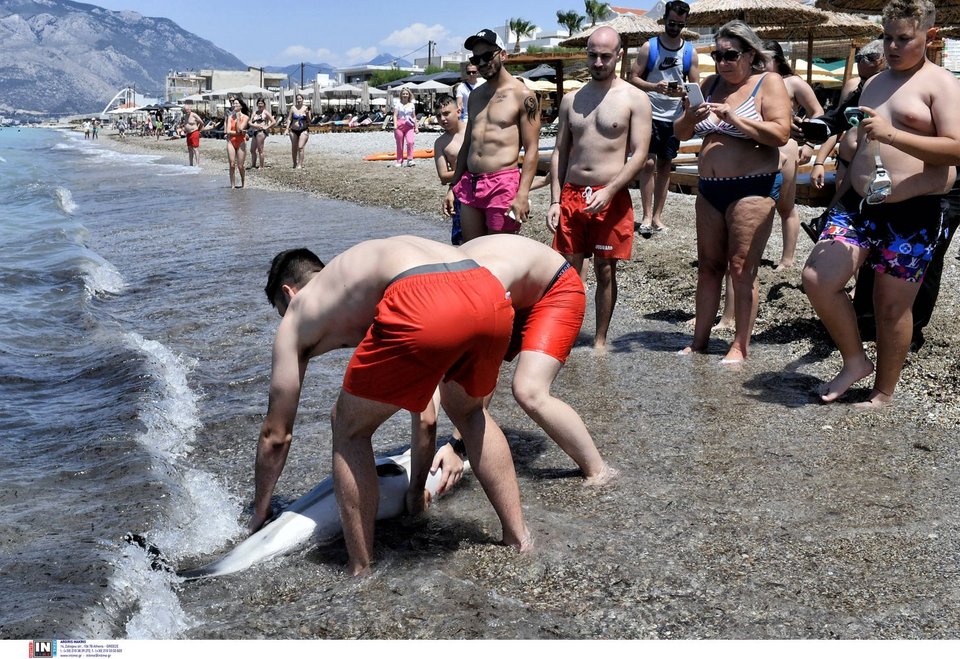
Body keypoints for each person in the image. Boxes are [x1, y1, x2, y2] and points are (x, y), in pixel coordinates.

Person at [254, 237, 531, 576]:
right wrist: (415, 492)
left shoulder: (299, 310)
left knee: (348, 428)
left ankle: (361, 570)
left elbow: (275, 435)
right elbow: (427, 415)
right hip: (488, 291)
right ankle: (519, 539)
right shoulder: (358, 278)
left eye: (282, 314)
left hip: (422, 296)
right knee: (471, 413)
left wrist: (261, 511)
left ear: (289, 293)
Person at [801, 0, 960, 407]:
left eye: (903, 38)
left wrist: (894, 136)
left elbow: (955, 149)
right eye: (887, 36)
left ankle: (884, 392)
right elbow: (855, 143)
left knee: (889, 308)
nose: (892, 46)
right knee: (819, 278)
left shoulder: (941, 83)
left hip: (915, 212)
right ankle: (855, 361)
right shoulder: (873, 83)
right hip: (859, 205)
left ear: (930, 35)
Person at [427, 234, 618, 486]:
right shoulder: (429, 292)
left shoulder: (477, 296)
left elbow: (483, 374)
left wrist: (452, 442)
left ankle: (599, 470)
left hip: (557, 289)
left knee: (529, 391)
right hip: (514, 288)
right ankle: (465, 445)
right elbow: (433, 376)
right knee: (459, 375)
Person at [674, 20, 791, 364]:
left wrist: (733, 117)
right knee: (708, 267)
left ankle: (740, 345)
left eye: (731, 55)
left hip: (752, 187)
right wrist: (689, 116)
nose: (723, 61)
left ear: (750, 54)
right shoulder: (710, 85)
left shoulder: (768, 83)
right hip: (710, 188)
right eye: (718, 54)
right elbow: (681, 134)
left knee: (741, 268)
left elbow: (780, 134)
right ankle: (699, 342)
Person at [548, 26, 651, 352]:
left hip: (612, 194)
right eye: (592, 55)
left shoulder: (635, 98)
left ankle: (600, 340)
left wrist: (609, 191)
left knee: (605, 271)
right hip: (572, 194)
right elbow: (560, 152)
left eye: (606, 56)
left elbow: (640, 154)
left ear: (619, 55)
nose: (598, 61)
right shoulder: (571, 100)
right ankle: (567, 335)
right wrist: (554, 199)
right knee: (567, 271)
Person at [444, 28, 540, 240]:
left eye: (487, 56)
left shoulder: (523, 95)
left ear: (503, 55)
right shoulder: (476, 96)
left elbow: (532, 149)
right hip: (471, 184)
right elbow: (468, 143)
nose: (481, 63)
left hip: (503, 184)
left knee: (499, 255)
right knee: (471, 251)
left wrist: (523, 193)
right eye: (476, 59)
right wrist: (453, 185)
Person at [627, 0, 698, 235]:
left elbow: (695, 86)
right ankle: (646, 216)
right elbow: (633, 77)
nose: (674, 27)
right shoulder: (650, 47)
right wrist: (654, 87)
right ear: (664, 20)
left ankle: (657, 216)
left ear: (685, 23)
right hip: (649, 113)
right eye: (671, 23)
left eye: (679, 24)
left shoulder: (690, 52)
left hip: (674, 117)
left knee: (666, 165)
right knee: (647, 163)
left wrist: (683, 91)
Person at [433, 95, 466, 245]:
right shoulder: (441, 143)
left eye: (446, 113)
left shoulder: (473, 130)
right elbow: (443, 176)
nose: (443, 119)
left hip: (484, 186)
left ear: (458, 111)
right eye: (439, 115)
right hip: (461, 191)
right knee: (461, 238)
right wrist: (470, 168)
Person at [225, 97, 249, 189]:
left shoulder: (246, 117)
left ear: (241, 106)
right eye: (233, 103)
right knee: (231, 164)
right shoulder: (230, 117)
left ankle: (243, 181)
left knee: (240, 165)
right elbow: (228, 131)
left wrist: (238, 118)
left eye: (236, 103)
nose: (234, 105)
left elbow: (240, 128)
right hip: (231, 141)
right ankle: (232, 185)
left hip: (241, 142)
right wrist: (239, 133)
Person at [392, 87, 418, 168]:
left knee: (410, 142)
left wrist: (416, 127)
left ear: (409, 95)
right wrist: (395, 125)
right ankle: (399, 160)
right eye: (403, 94)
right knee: (399, 144)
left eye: (406, 94)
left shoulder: (412, 104)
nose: (405, 95)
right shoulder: (398, 104)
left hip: (409, 125)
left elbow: (414, 116)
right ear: (401, 95)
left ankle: (410, 159)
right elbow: (395, 115)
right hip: (400, 124)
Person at [248, 98, 276, 169]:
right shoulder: (254, 112)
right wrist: (254, 125)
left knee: (260, 149)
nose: (260, 105)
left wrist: (267, 127)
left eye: (261, 103)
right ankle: (253, 165)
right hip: (254, 131)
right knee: (252, 150)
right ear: (257, 104)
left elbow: (273, 121)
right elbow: (249, 122)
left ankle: (261, 166)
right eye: (259, 103)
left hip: (261, 132)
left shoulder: (265, 112)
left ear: (264, 105)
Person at [285, 93, 311, 169]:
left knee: (300, 147)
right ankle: (294, 163)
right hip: (293, 130)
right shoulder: (293, 108)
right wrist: (287, 128)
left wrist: (306, 115)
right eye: (297, 99)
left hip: (303, 129)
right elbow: (289, 119)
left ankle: (300, 164)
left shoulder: (306, 108)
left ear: (303, 99)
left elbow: (309, 121)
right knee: (294, 147)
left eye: (300, 99)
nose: (299, 100)